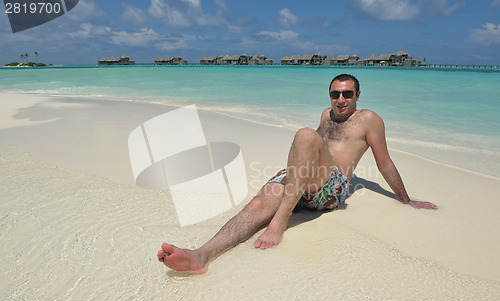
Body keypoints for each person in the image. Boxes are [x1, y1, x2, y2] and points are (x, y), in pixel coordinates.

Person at [157, 73, 437, 274]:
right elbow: (311, 153)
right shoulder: (325, 115)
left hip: (331, 187)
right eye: (335, 94)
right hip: (302, 180)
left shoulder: (370, 120)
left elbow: (384, 162)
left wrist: (406, 200)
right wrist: (291, 177)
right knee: (256, 205)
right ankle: (200, 255)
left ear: (358, 95)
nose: (340, 99)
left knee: (304, 135)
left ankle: (279, 222)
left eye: (347, 94)